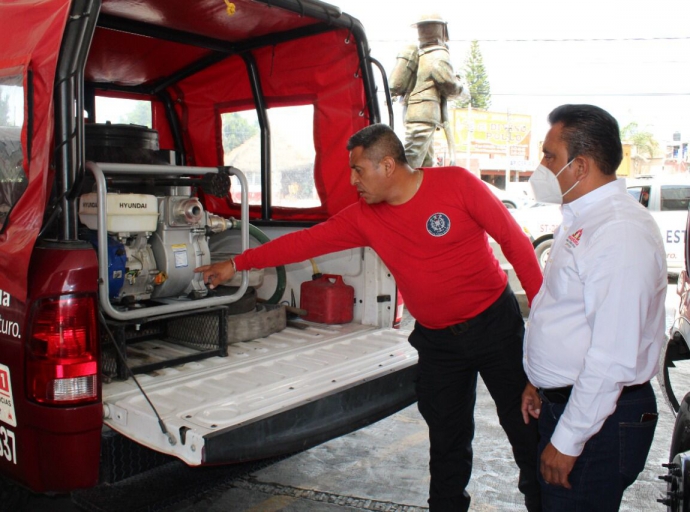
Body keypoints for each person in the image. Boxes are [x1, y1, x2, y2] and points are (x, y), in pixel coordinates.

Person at [196, 123, 543, 511]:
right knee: (447, 443)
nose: (352, 180)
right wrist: (236, 264)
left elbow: (517, 245)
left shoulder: (457, 185)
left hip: (495, 328)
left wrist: (545, 325)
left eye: (358, 170)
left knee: (526, 432)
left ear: (388, 166)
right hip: (439, 344)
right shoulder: (364, 217)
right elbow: (303, 242)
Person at [521, 104, 667, 511]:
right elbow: (567, 315)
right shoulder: (582, 217)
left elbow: (613, 356)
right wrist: (541, 381)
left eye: (550, 156)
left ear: (580, 165)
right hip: (573, 405)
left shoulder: (617, 232)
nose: (541, 166)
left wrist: (568, 441)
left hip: (598, 421)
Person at [391, 13, 467, 168]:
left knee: (425, 163)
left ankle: (422, 191)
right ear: (442, 30)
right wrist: (462, 88)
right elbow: (449, 85)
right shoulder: (438, 55)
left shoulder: (422, 54)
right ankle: (398, 190)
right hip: (424, 114)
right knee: (411, 161)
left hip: (417, 112)